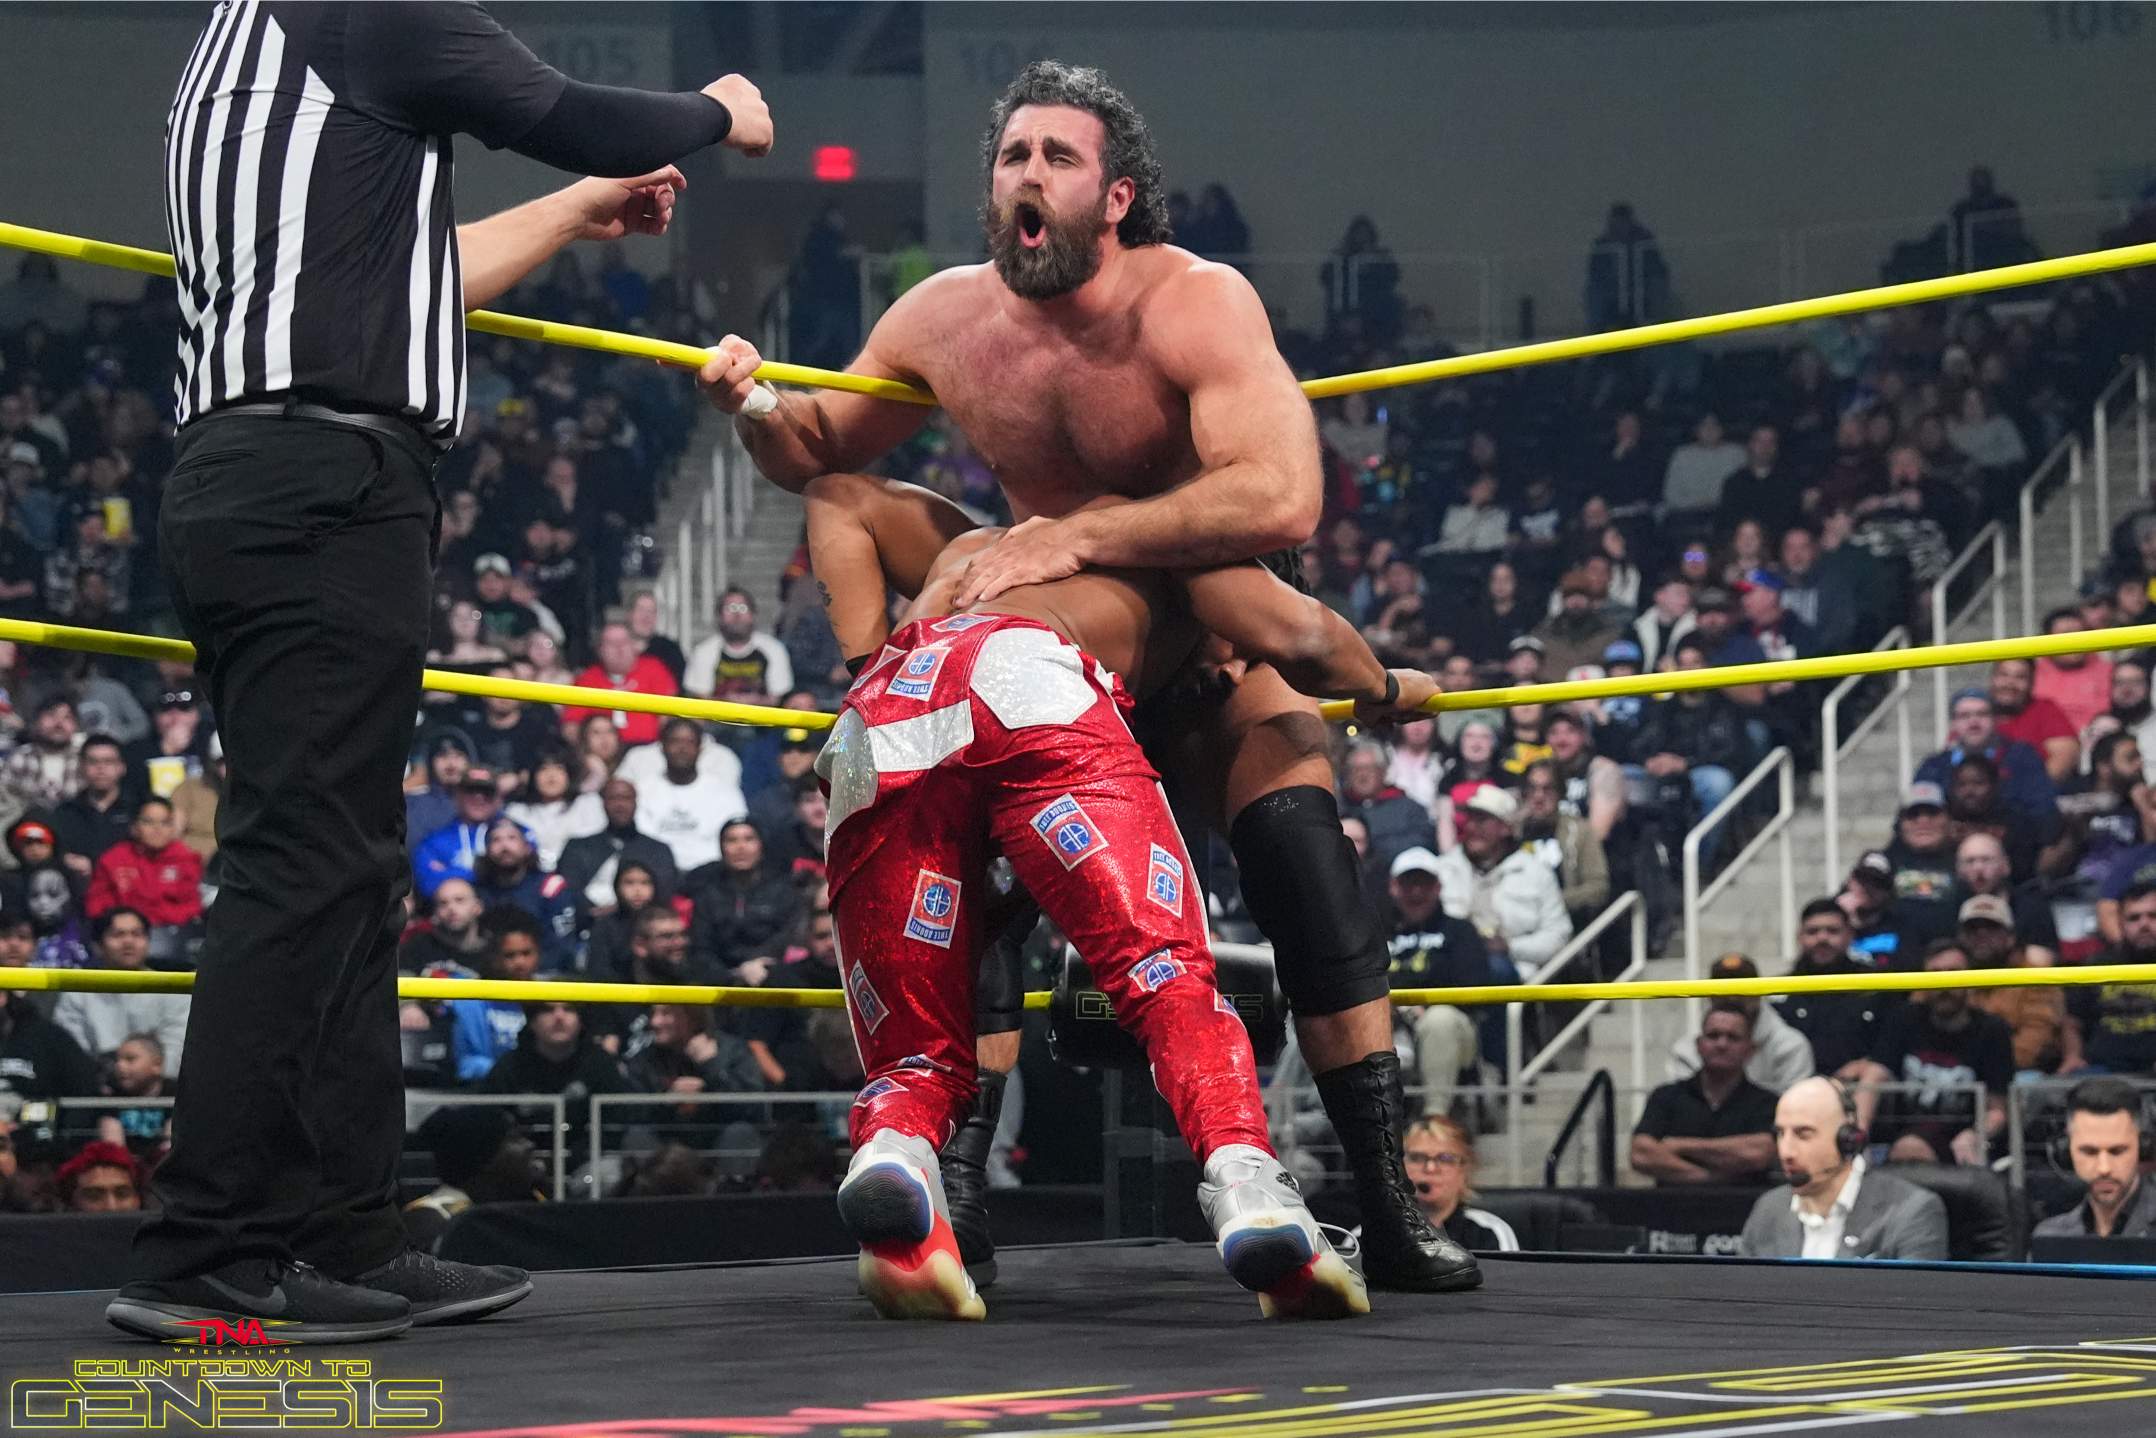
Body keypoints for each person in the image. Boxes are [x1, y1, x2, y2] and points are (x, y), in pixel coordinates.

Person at [705, 60, 1471, 1295]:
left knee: (1305, 865)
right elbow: (819, 459)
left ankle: (1387, 1208)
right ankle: (958, 1202)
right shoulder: (943, 318)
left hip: (1207, 628)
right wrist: (753, 403)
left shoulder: (1192, 303)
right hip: (1052, 664)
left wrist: (1079, 535)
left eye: (1057, 158)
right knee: (978, 881)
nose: (1028, 176)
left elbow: (1281, 500)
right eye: (1013, 156)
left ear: (1115, 196)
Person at [121, 0, 774, 1342]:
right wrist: (720, 108)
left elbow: (406, 275)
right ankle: (209, 1248)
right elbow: (577, 113)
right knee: (305, 862)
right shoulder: (361, 9)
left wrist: (577, 214)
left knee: (346, 867)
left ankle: (345, 1227)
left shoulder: (235, 51)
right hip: (324, 480)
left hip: (262, 476)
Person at [812, 512, 1429, 1319]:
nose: (1234, 668)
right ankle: (1251, 1188)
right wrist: (1389, 689)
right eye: (1238, 653)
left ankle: (896, 1159)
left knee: (916, 1052)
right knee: (1165, 978)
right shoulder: (1182, 545)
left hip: (877, 718)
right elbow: (1304, 634)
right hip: (1024, 686)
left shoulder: (982, 550)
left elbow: (840, 497)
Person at [1740, 1077, 1949, 1260]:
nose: (1786, 1151)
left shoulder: (1912, 1211)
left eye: (1803, 1134)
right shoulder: (1768, 1209)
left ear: (1848, 1140)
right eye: (1780, 1133)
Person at [1846, 940, 2013, 1165]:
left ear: (1972, 978)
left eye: (1953, 973)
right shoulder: (1904, 1018)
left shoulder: (1992, 1030)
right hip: (1906, 1133)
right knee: (1908, 1147)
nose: (1943, 984)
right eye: (1934, 973)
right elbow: (1874, 1078)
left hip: (1964, 1142)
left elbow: (1998, 1110)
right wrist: (1859, 1132)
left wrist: (1975, 1134)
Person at [1380, 849, 1499, 1120]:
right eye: (1408, 884)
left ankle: (1435, 1120)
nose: (1416, 892)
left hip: (1450, 1024)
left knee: (1439, 1020)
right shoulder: (1376, 932)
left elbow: (1473, 982)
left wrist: (1418, 1002)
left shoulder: (1460, 931)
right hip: (1388, 1018)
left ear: (1438, 887)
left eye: (1424, 883)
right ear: (1394, 887)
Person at [1430, 784, 1572, 983]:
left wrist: (1510, 946)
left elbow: (1558, 936)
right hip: (1449, 972)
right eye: (1470, 819)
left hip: (1518, 976)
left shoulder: (1535, 872)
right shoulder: (1443, 869)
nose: (1472, 827)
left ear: (1505, 828)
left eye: (1482, 820)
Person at [1629, 1004, 1780, 1187]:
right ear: (1699, 1045)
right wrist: (1709, 1178)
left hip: (1746, 1204)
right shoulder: (1665, 1097)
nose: (1722, 1044)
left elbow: (1759, 1153)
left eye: (1733, 1037)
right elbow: (1641, 1155)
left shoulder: (1767, 1102)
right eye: (1713, 1035)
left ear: (1750, 1049)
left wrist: (1679, 1145)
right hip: (1673, 1204)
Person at [50, 909, 191, 1076]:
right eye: (117, 934)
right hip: (94, 1087)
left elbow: (176, 1052)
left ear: (148, 941)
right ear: (98, 945)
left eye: (137, 934)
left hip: (160, 1086)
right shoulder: (77, 994)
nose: (128, 942)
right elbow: (71, 1056)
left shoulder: (172, 990)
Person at [1668, 955, 1814, 1093]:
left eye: (1742, 989)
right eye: (1723, 990)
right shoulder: (1686, 1052)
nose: (1732, 998)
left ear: (1759, 993)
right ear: (1710, 996)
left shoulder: (1791, 1048)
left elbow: (1796, 1105)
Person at [1776, 899, 1890, 1076]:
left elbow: (1890, 1046)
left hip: (1857, 1086)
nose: (1822, 938)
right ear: (1799, 936)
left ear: (1850, 935)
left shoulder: (1874, 985)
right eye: (1813, 931)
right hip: (1794, 1085)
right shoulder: (1779, 990)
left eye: (1832, 931)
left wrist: (1868, 1064)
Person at [2032, 1077, 2156, 1239]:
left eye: (2117, 1151)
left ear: (2143, 1148)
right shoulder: (2051, 1236)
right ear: (2066, 1151)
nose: (2104, 1168)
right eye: (2089, 1152)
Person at [1397, 1116, 1519, 1252]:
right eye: (1417, 1158)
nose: (1430, 1168)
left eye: (1445, 1158)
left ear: (1466, 1169)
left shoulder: (1487, 1232)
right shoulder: (1382, 1228)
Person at [684, 587, 795, 702]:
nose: (737, 614)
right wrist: (730, 702)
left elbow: (776, 698)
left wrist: (752, 702)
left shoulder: (774, 649)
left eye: (743, 608)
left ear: (753, 615)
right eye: (730, 608)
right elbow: (701, 697)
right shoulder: (704, 652)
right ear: (719, 616)